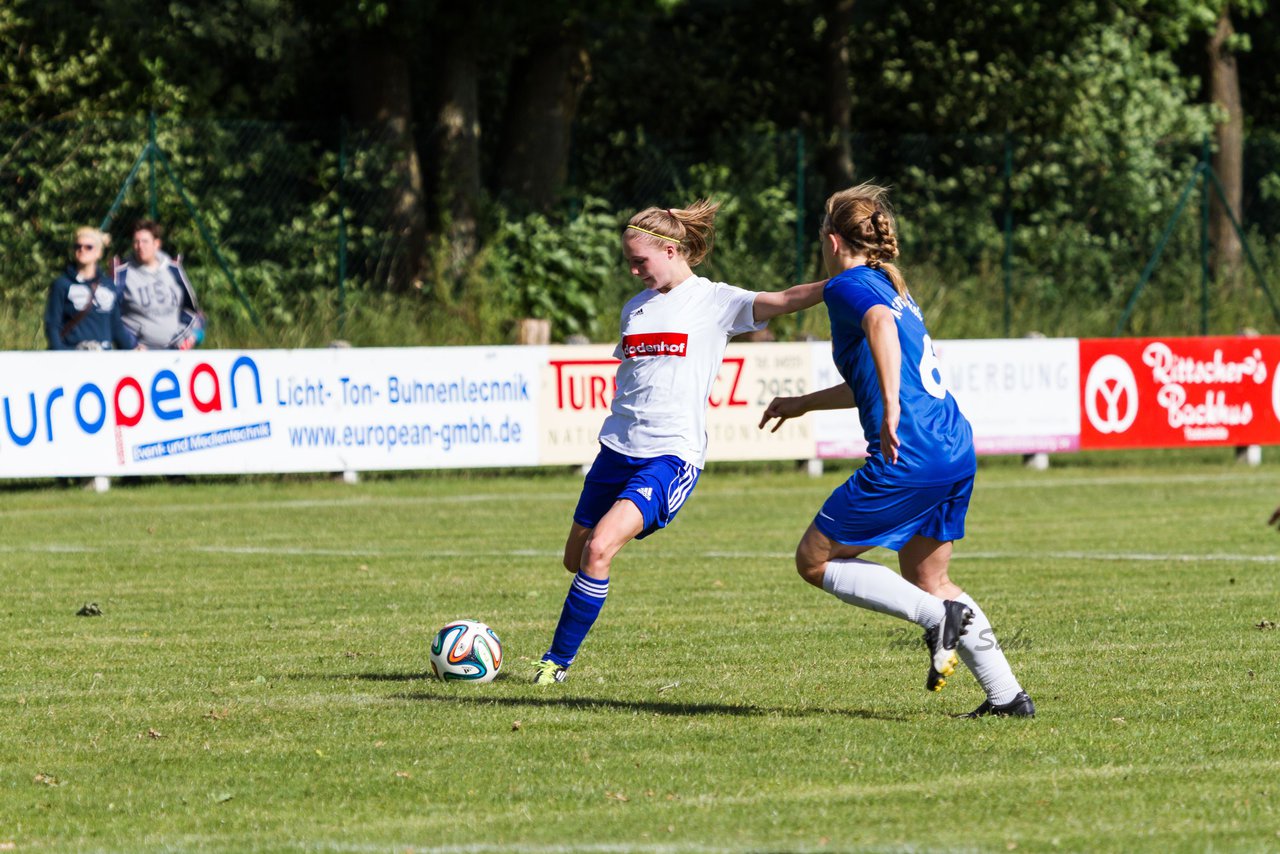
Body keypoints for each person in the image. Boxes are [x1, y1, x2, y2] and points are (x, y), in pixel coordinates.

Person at [758, 183, 1034, 718]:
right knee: (932, 579)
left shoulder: (850, 286)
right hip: (952, 445)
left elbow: (878, 332)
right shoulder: (892, 286)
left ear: (834, 241)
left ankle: (936, 620)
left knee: (813, 561)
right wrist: (805, 403)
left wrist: (887, 409)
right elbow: (884, 366)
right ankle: (1007, 697)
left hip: (910, 452)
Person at [532, 200, 827, 685]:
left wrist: (848, 283)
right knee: (577, 558)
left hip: (670, 455)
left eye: (639, 261)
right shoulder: (636, 308)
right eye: (628, 261)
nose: (632, 271)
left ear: (671, 250)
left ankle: (554, 664)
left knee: (600, 550)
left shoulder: (715, 301)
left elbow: (787, 298)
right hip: (615, 451)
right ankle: (573, 623)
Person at [44, 227, 137, 351]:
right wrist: (59, 353)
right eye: (78, 246)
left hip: (103, 355)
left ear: (99, 253)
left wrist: (132, 349)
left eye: (88, 247)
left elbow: (115, 326)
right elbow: (52, 324)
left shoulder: (108, 285)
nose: (82, 250)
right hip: (73, 354)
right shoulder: (62, 284)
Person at [117, 220, 205, 350]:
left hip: (174, 350)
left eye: (145, 241)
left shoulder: (174, 270)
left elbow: (193, 312)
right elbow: (112, 317)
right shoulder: (122, 274)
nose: (140, 246)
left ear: (156, 244)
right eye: (136, 242)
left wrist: (192, 337)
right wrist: (132, 344)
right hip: (140, 352)